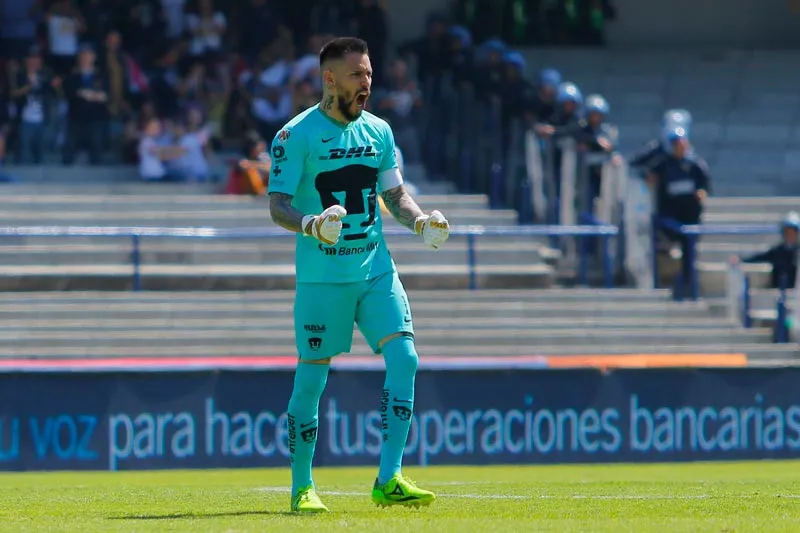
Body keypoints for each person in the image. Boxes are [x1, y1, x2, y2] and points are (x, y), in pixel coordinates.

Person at [267, 37, 450, 514]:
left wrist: (420, 222)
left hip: (375, 269)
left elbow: (395, 195)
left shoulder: (379, 131)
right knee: (311, 381)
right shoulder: (296, 135)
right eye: (356, 74)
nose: (366, 82)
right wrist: (310, 224)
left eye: (368, 73)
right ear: (329, 79)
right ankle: (302, 486)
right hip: (322, 278)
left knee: (405, 358)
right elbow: (278, 205)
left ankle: (389, 478)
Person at [649, 126, 710, 291]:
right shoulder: (662, 164)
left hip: (689, 216)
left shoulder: (695, 165)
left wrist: (701, 193)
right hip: (670, 216)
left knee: (689, 246)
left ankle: (688, 280)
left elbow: (704, 185)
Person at [730, 212, 799, 290]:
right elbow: (758, 257)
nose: (790, 234)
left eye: (793, 232)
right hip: (777, 292)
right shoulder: (777, 251)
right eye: (787, 231)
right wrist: (741, 259)